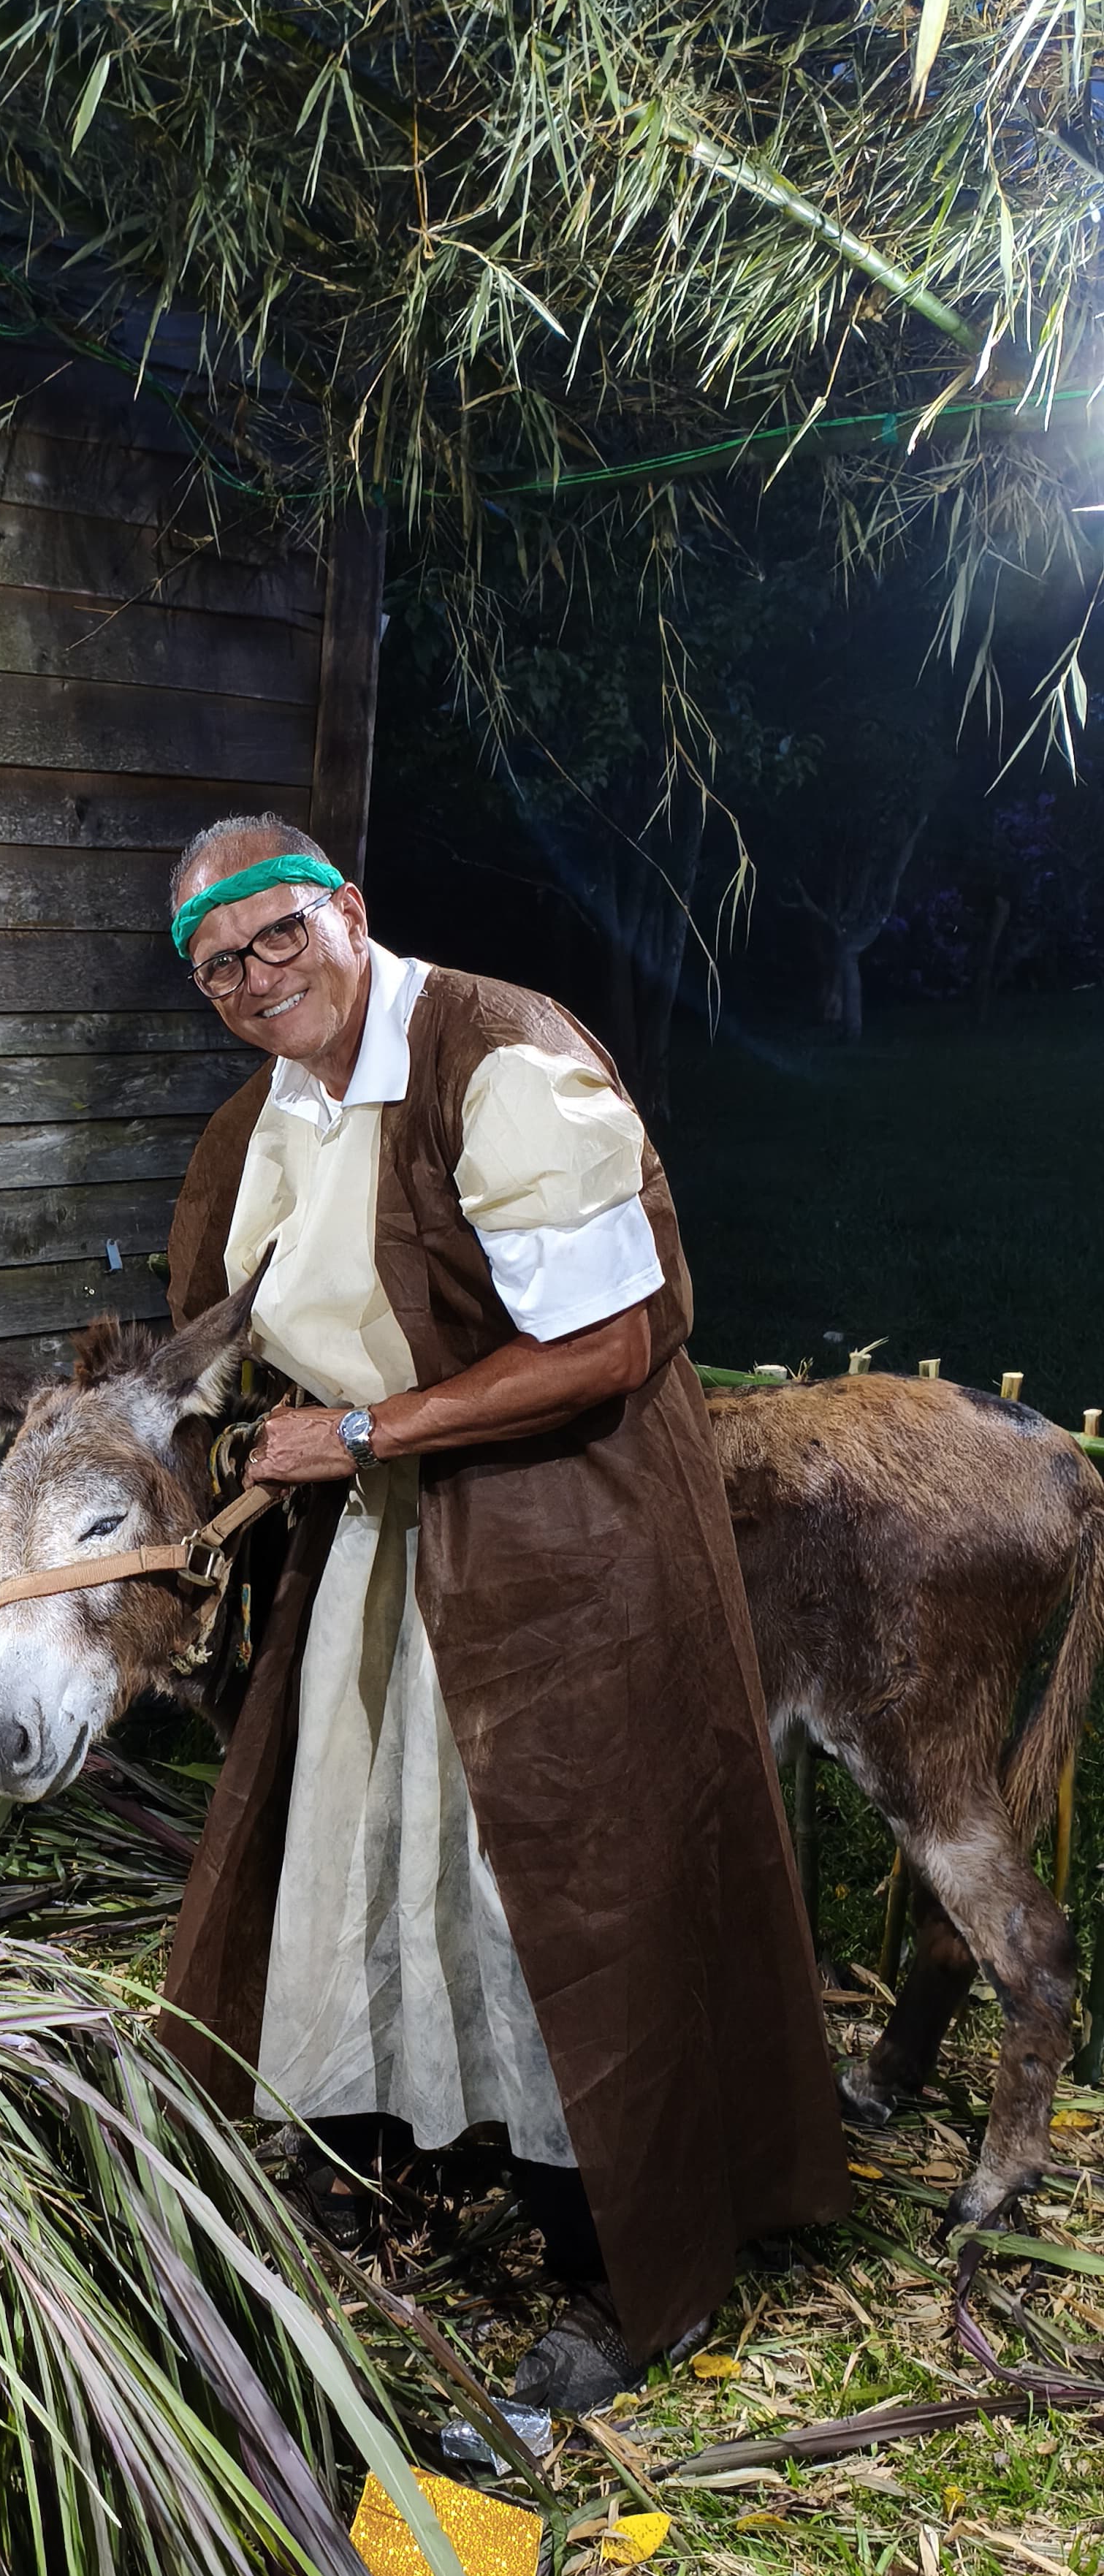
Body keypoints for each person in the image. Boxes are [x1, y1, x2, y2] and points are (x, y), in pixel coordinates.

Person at [157, 816, 849, 2410]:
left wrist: (356, 1436)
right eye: (218, 968)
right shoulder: (277, 1109)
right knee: (371, 1834)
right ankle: (428, 2141)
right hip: (396, 1523)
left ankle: (626, 2265)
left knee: (551, 1883)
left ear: (348, 911)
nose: (259, 982)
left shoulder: (502, 1059)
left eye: (278, 938)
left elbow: (606, 1346)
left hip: (566, 1527)